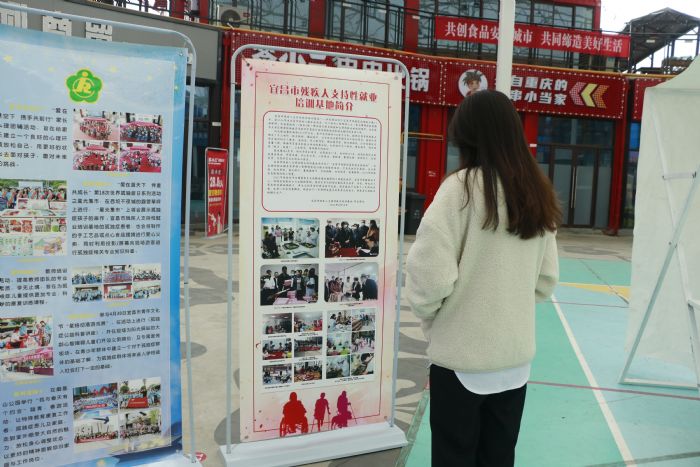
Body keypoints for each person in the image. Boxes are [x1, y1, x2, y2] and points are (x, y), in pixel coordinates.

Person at [405, 90, 560, 467]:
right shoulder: (535, 191)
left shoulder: (458, 190)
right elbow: (546, 280)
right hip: (514, 360)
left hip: (462, 358)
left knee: (453, 456)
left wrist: (434, 318)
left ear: (466, 135)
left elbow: (429, 279)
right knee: (499, 456)